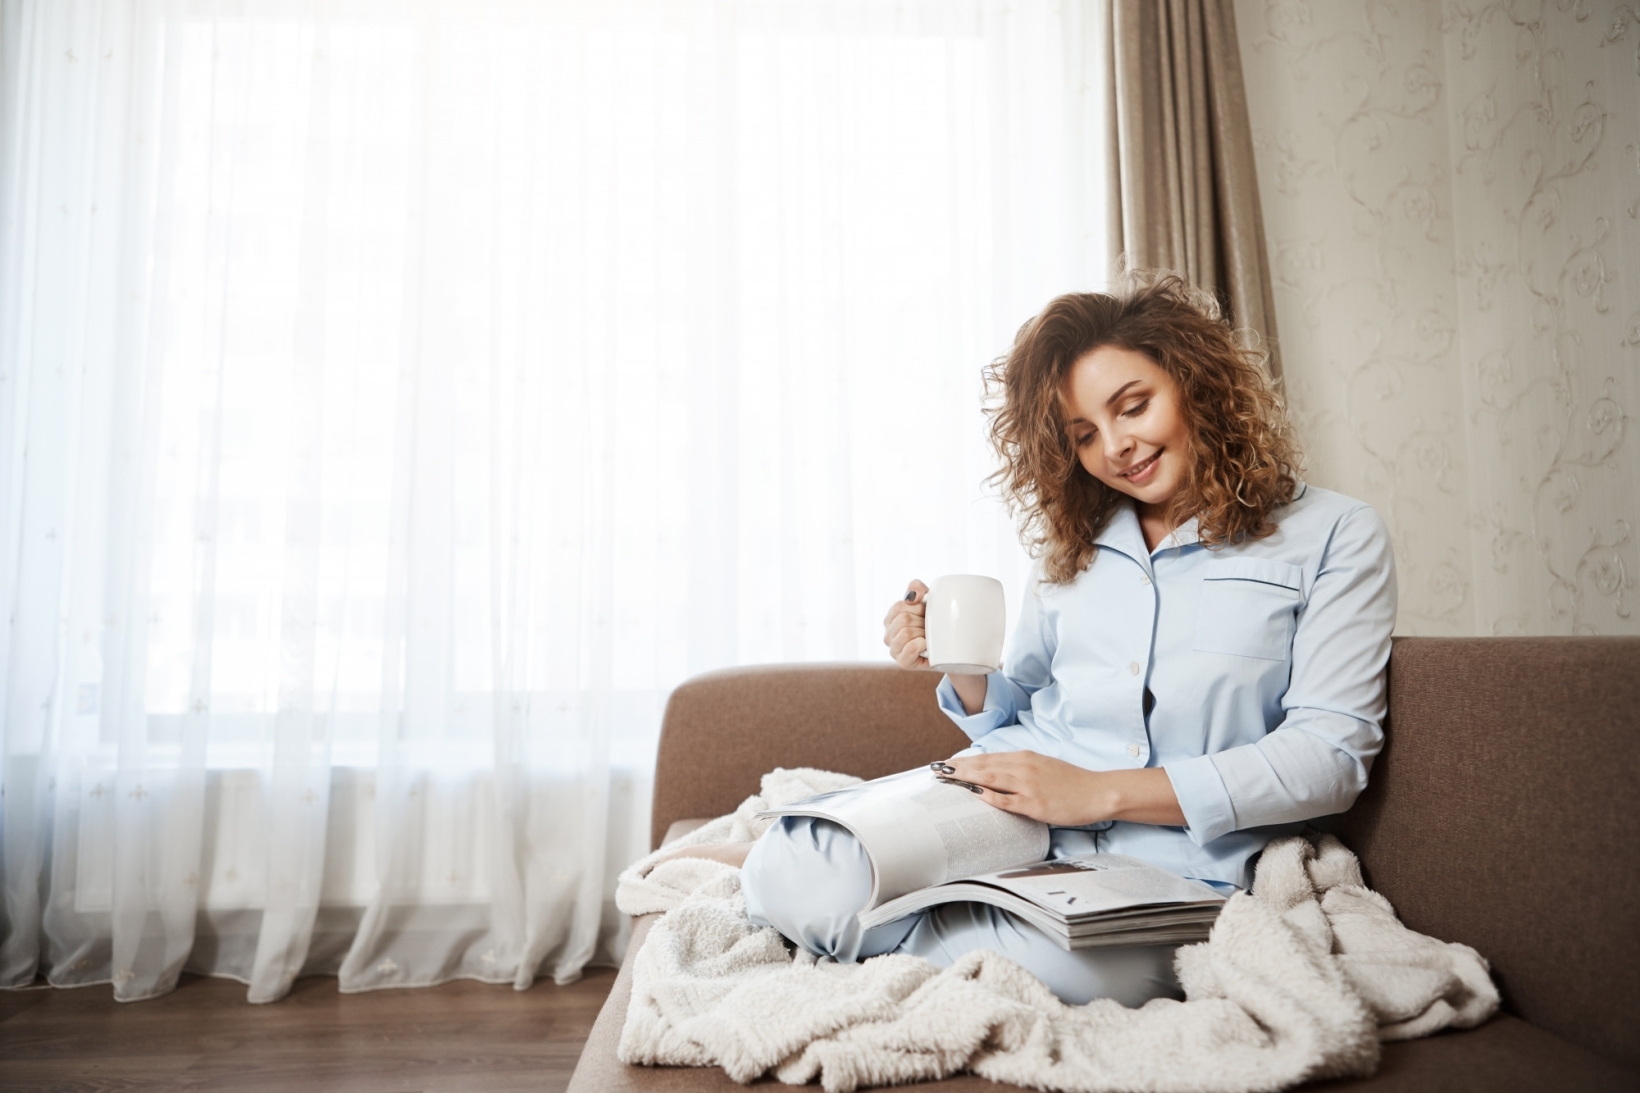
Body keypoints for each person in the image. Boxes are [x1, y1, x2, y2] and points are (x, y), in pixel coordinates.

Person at [664, 273, 1396, 1007]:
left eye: (1133, 406)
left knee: (1081, 972)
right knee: (791, 867)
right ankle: (855, 873)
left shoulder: (1334, 534)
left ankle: (881, 904)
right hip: (1005, 817)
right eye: (1084, 434)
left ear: (1196, 383)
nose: (1116, 447)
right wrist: (962, 670)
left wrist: (1096, 792)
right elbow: (1024, 701)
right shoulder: (1075, 546)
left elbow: (1328, 756)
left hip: (1173, 863)